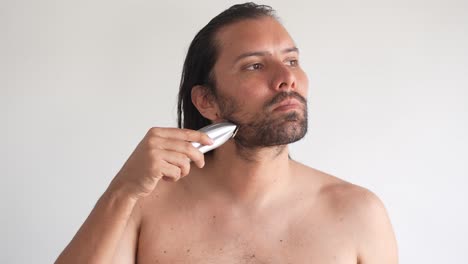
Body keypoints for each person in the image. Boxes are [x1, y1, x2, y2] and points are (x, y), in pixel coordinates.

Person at [56, 3, 398, 263]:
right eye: (255, 66)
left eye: (292, 61)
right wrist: (122, 190)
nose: (287, 78)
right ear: (207, 101)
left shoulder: (358, 213)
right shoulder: (145, 205)